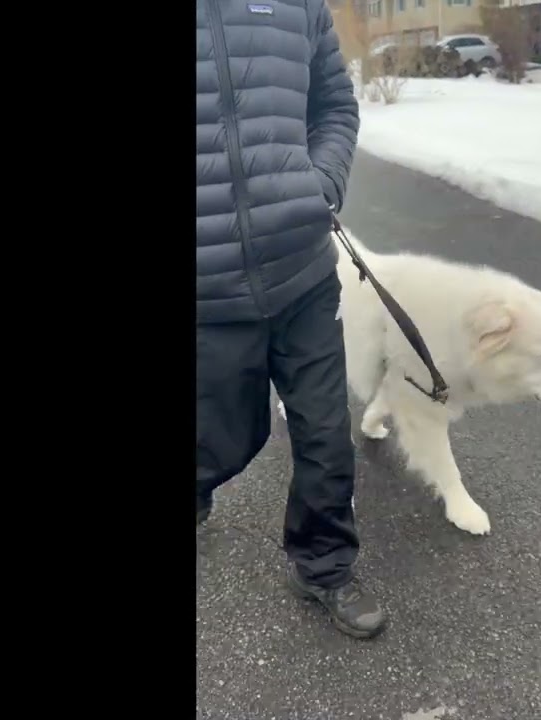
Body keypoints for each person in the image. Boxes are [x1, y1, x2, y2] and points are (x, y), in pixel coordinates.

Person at [196, 0, 387, 638]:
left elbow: (334, 104)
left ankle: (324, 564)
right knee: (223, 432)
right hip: (207, 286)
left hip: (301, 270)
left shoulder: (299, 6)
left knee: (325, 431)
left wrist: (322, 181)